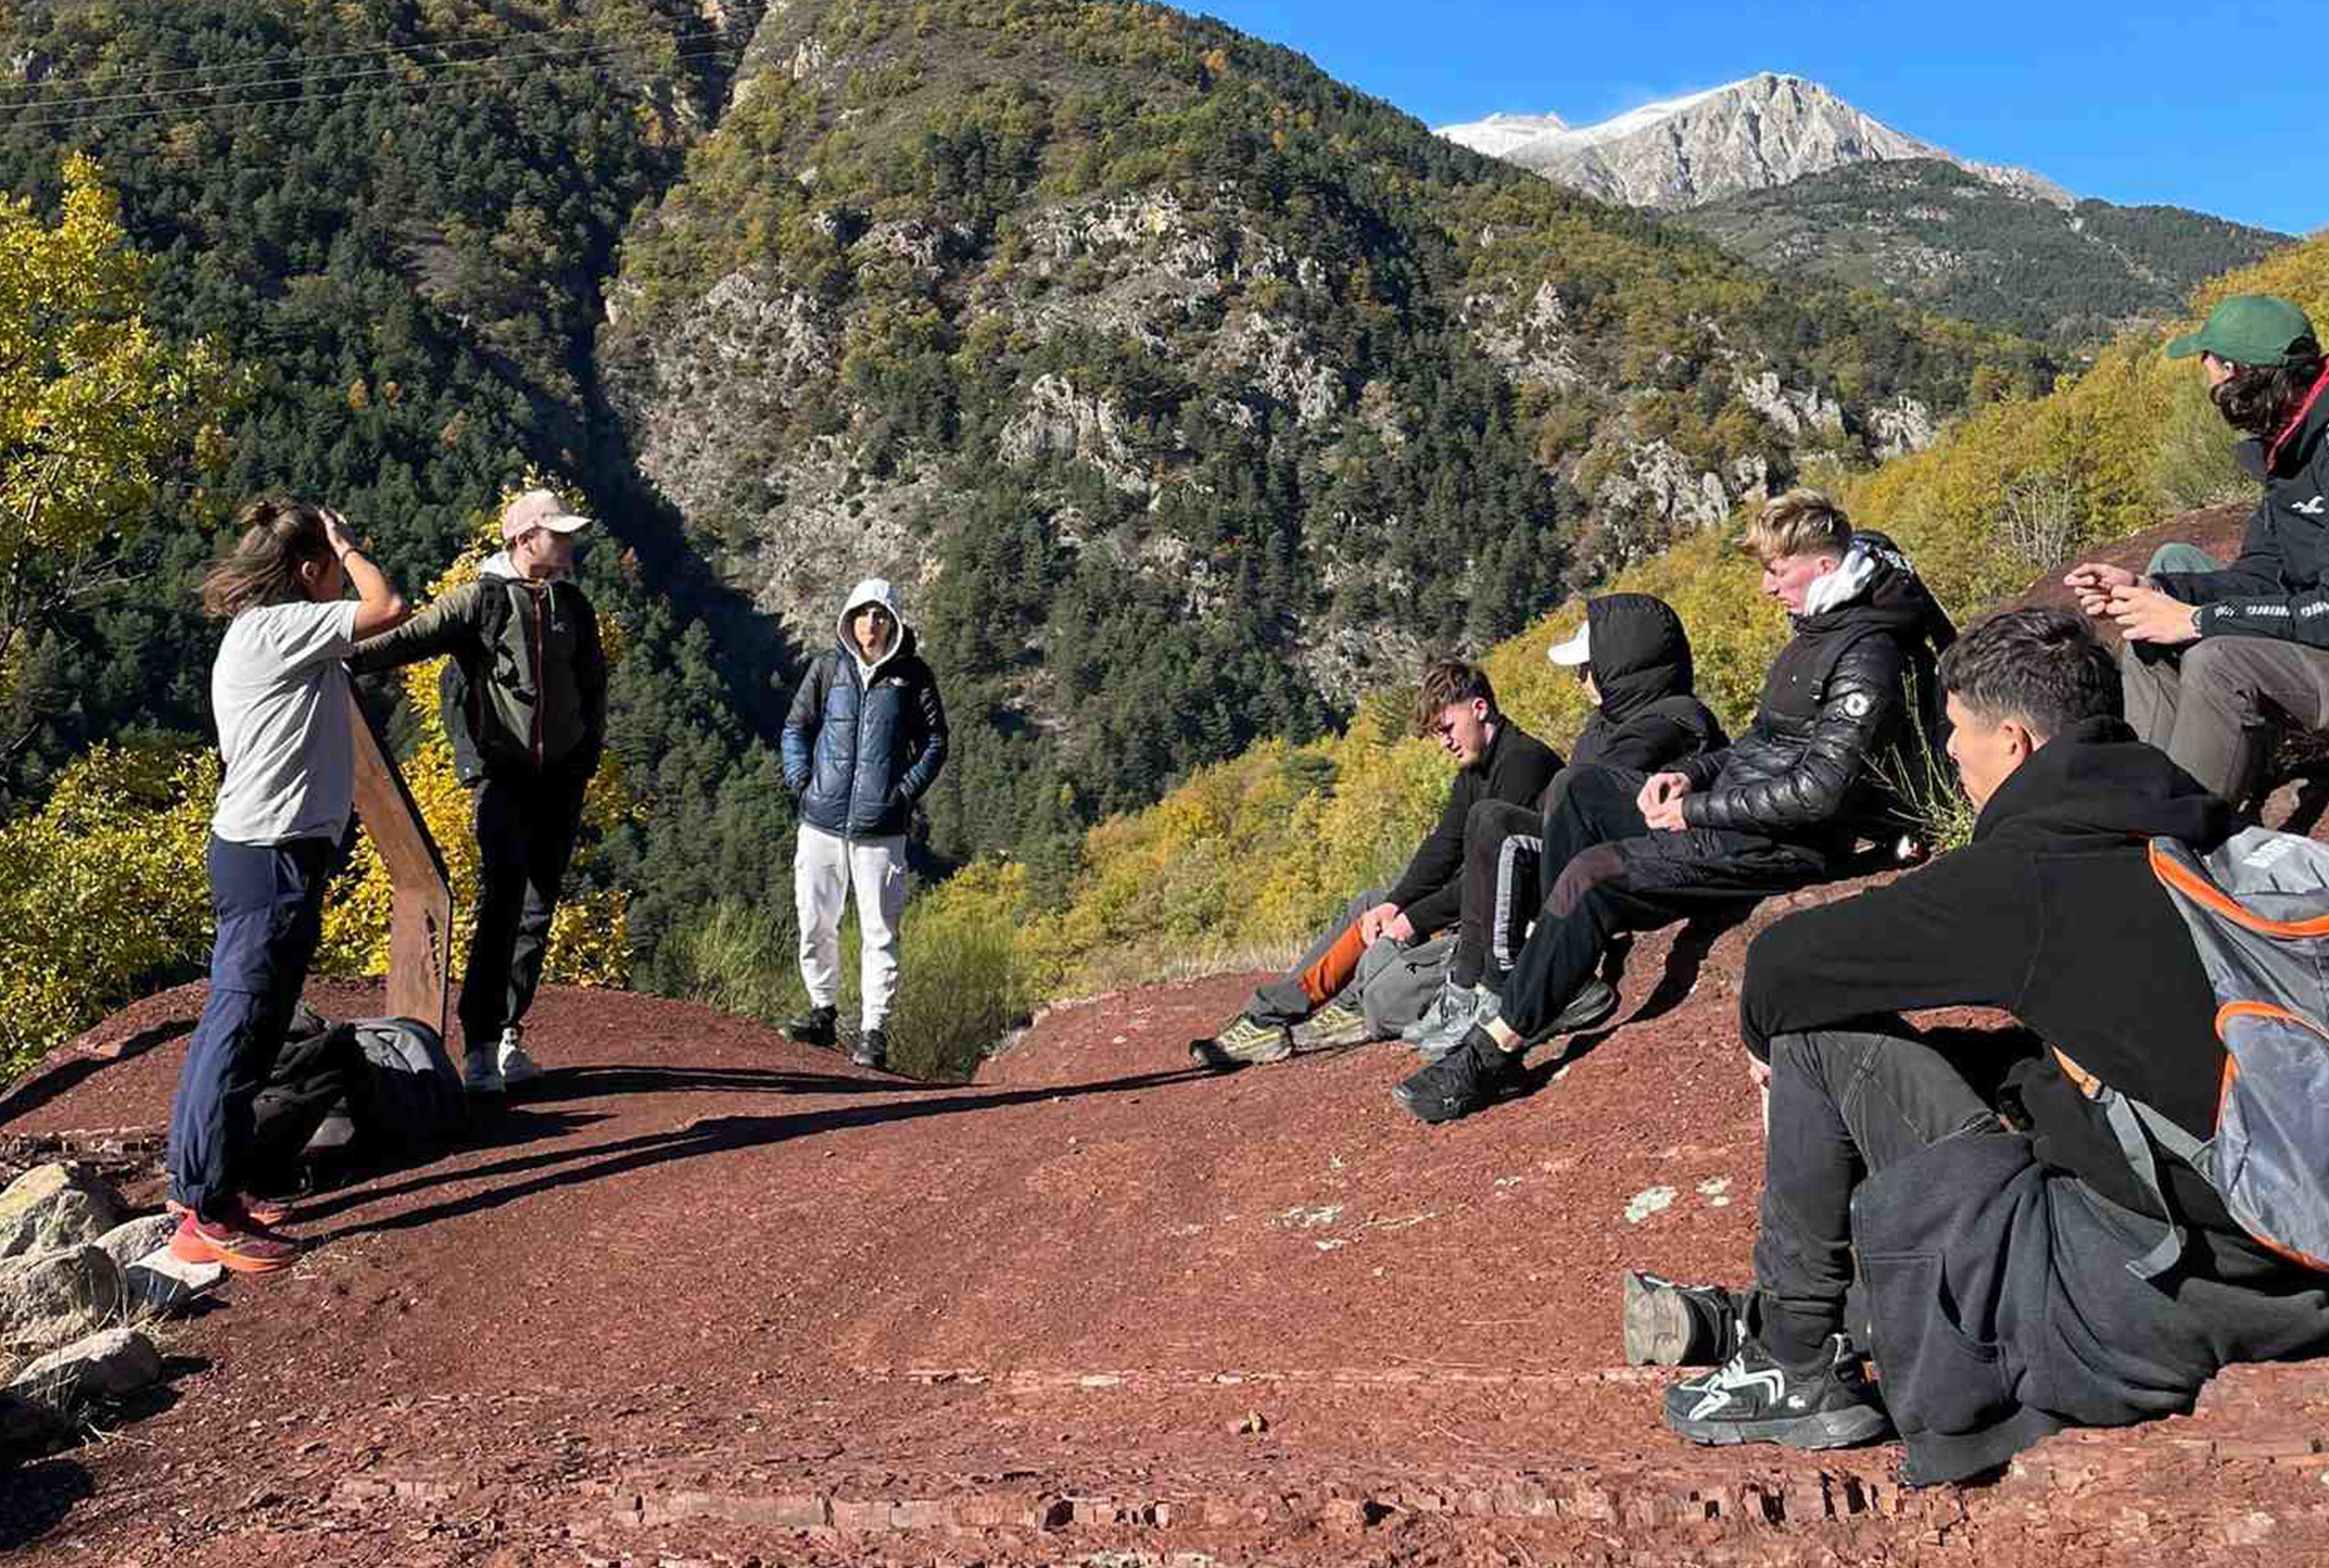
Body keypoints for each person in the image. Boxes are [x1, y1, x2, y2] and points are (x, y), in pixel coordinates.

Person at [1640, 607, 2329, 1484]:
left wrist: (1762, 1045)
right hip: (2285, 1272)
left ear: (2014, 741)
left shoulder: (2032, 870)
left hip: (2147, 1305)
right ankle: (1781, 1319)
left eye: (1958, 730)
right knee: (2008, 1076)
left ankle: (1793, 1356)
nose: (1952, 754)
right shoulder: (2189, 825)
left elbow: (1782, 967)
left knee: (1815, 1037)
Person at [1394, 490, 1953, 1125]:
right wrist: (1688, 776)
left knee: (1594, 876)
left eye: (1777, 570)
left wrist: (1699, 813)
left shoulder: (1866, 652)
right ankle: (1564, 976)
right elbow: (1764, 744)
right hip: (1734, 808)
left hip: (1778, 840)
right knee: (1582, 789)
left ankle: (1494, 1055)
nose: (1768, 587)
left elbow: (1822, 794)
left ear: (1824, 567)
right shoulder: (1817, 630)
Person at [167, 497, 409, 1273]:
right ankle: (203, 1209)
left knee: (251, 1029)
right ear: (309, 570)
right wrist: (351, 544)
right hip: (270, 855)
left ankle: (215, 1187)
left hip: (267, 851)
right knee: (238, 1030)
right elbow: (388, 608)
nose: (338, 575)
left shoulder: (268, 633)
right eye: (330, 565)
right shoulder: (278, 628)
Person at [351, 488, 608, 1095]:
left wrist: (587, 755)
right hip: (504, 778)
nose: (569, 543)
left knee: (539, 905)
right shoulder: (481, 601)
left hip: (561, 779)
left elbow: (593, 685)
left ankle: (511, 1031)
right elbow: (408, 639)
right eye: (559, 533)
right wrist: (332, 655)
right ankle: (481, 1046)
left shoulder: (574, 604)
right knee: (502, 900)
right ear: (526, 541)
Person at [1188, 659, 1562, 1069]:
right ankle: (1270, 1016)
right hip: (1468, 911)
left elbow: (1488, 880)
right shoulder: (1477, 767)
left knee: (1385, 999)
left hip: (1503, 930)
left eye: (1447, 728)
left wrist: (1414, 918)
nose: (1444, 743)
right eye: (1437, 734)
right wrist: (1395, 904)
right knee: (1369, 904)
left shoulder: (1525, 763)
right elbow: (1444, 847)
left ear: (1478, 708)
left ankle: (1350, 1010)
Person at [1407, 593, 1725, 1061]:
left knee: (1495, 822)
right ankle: (1466, 986)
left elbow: (1595, 793)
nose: (1579, 679)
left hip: (1639, 856)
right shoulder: (1607, 724)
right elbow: (1446, 842)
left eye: (1587, 667)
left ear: (1622, 666)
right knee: (1486, 820)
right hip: (1593, 848)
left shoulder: (1673, 719)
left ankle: (1511, 990)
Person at [2065, 294, 2329, 808]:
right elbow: (2262, 574)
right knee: (2150, 623)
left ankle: (2182, 841)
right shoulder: (2291, 442)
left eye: (2210, 371)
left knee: (2217, 657)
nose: (2209, 388)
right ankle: (2141, 802)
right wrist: (2153, 592)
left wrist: (2200, 619)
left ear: (2238, 374)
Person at [781, 579, 948, 1071]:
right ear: (849, 619)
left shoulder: (913, 676)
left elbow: (936, 742)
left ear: (893, 622)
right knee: (815, 920)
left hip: (881, 829)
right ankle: (822, 1010)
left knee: (880, 932)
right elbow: (796, 727)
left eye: (880, 615)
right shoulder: (826, 669)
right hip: (821, 821)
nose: (870, 624)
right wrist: (801, 781)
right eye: (863, 613)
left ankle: (875, 1031)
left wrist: (901, 794)